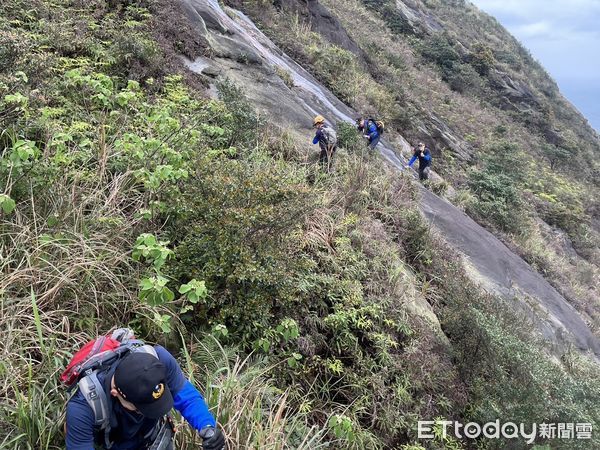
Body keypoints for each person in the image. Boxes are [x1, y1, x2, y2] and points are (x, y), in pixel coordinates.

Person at [65, 344, 226, 450]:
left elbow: (187, 398)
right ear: (116, 393)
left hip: (154, 438)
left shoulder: (159, 361)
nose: (153, 411)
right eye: (143, 409)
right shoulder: (82, 409)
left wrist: (207, 427)